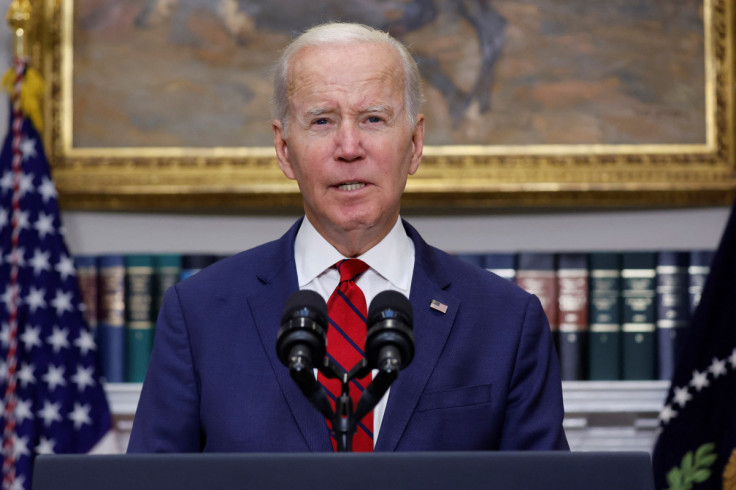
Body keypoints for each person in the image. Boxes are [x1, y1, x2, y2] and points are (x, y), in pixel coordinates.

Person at [127, 22, 568, 452]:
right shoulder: (200, 314)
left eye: (373, 119)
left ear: (414, 143)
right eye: (322, 121)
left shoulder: (507, 320)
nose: (349, 146)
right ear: (284, 149)